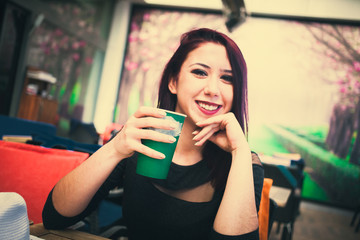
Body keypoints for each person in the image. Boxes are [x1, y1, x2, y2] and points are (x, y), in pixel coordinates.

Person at [42, 28, 264, 240]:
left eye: (228, 78)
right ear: (173, 82)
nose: (213, 90)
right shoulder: (138, 140)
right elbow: (55, 218)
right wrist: (115, 147)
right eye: (199, 72)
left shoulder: (243, 162)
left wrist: (240, 150)